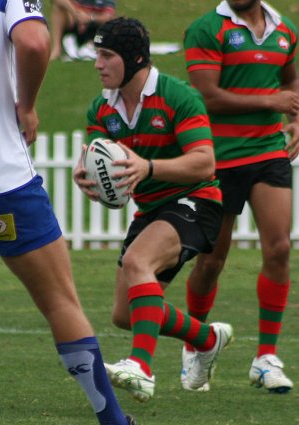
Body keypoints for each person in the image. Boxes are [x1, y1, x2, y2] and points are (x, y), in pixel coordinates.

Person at [74, 16, 233, 403]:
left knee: (136, 263)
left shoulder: (178, 96)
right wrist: (87, 177)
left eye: (107, 55)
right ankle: (207, 338)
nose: (98, 64)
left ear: (134, 59)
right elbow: (95, 158)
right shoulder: (101, 109)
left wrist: (147, 168)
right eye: (97, 54)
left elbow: (204, 163)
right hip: (152, 210)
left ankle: (141, 368)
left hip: (197, 199)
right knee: (125, 315)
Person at [0, 2, 135, 424]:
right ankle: (112, 421)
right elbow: (36, 41)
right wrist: (26, 104)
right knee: (60, 300)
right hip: (5, 182)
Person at [182, 0, 299, 394]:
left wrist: (296, 117)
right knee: (212, 260)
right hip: (219, 159)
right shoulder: (207, 29)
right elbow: (207, 97)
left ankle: (265, 358)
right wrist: (272, 102)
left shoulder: (286, 29)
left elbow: (291, 81)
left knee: (280, 248)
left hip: (269, 153)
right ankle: (196, 345)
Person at [49, 0, 116, 60]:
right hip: (77, 22)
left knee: (112, 24)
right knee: (58, 7)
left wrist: (89, 18)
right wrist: (75, 13)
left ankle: (89, 46)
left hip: (94, 27)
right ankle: (57, 49)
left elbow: (109, 17)